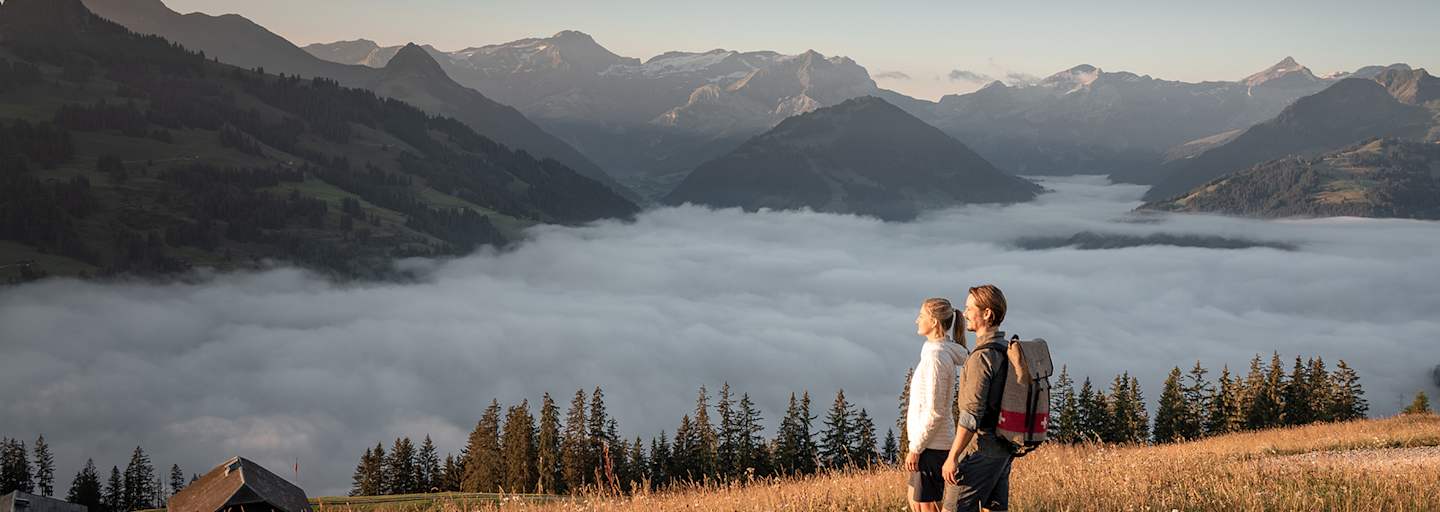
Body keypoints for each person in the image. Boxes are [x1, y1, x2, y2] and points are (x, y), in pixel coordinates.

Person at [942, 285, 1015, 512]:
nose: (963, 314)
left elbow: (971, 415)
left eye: (969, 308)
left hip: (981, 449)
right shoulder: (1006, 349)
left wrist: (952, 457)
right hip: (1004, 448)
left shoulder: (982, 357)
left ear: (987, 314)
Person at [905, 298, 969, 512]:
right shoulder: (935, 353)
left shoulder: (937, 358)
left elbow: (936, 412)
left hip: (932, 446)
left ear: (933, 322)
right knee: (917, 503)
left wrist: (916, 448)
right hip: (930, 444)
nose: (917, 320)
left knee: (927, 507)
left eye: (921, 316)